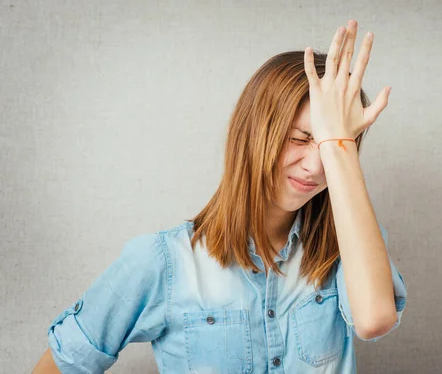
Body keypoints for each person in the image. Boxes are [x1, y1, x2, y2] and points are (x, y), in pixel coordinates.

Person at [33, 19, 407, 374]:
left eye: (331, 148)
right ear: (255, 133)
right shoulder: (162, 263)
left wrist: (337, 142)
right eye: (299, 138)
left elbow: (374, 319)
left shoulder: (350, 249)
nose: (316, 166)